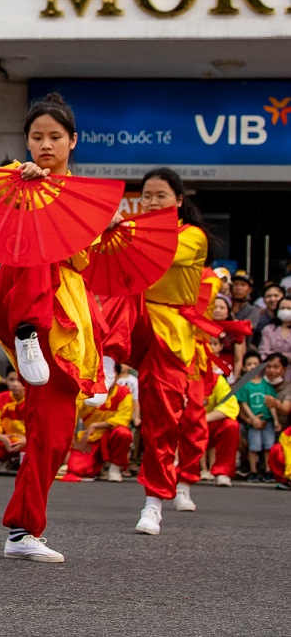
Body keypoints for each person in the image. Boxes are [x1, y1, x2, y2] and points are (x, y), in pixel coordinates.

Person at [0, 93, 109, 563]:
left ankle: (23, 530)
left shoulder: (85, 196)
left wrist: (105, 225)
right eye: (37, 137)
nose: (45, 145)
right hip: (22, 296)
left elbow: (85, 255)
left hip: (64, 309)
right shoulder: (18, 179)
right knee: (36, 235)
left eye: (55, 137)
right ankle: (28, 333)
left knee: (52, 431)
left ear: (73, 141)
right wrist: (29, 187)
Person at [127, 167, 221, 535]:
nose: (151, 202)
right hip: (137, 322)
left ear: (179, 201)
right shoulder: (135, 228)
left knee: (168, 419)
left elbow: (159, 252)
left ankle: (158, 499)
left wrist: (120, 229)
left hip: (174, 337)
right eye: (147, 196)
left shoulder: (192, 236)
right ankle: (98, 365)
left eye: (160, 196)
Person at [66, 378, 134, 481]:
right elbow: (70, 416)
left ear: (116, 374)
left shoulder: (123, 392)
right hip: (92, 437)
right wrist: (74, 442)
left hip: (111, 436)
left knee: (123, 433)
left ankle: (114, 467)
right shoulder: (86, 390)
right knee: (76, 469)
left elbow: (123, 419)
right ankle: (100, 467)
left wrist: (95, 425)